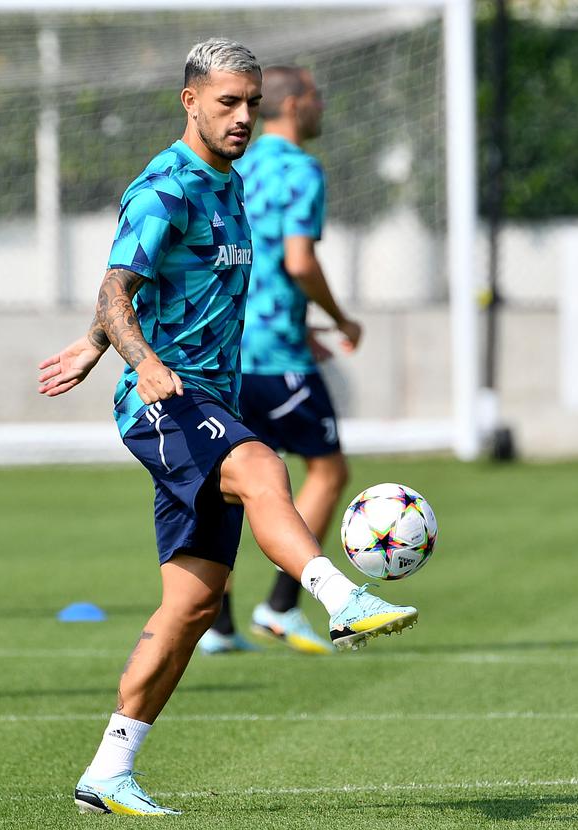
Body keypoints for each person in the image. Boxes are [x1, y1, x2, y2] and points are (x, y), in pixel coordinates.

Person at [38, 38, 418, 817]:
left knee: (192, 604)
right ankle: (338, 598)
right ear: (190, 101)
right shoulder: (167, 186)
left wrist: (94, 341)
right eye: (227, 103)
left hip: (212, 397)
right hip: (165, 401)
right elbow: (116, 286)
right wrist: (136, 357)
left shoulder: (231, 184)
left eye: (251, 102)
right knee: (263, 467)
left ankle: (107, 773)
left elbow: (146, 288)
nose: (244, 116)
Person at [199, 65, 361, 657]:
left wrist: (300, 323)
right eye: (316, 96)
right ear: (294, 105)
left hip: (226, 347)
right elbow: (297, 262)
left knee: (229, 482)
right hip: (276, 357)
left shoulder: (235, 164)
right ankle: (283, 604)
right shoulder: (300, 170)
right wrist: (341, 319)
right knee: (328, 471)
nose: (322, 105)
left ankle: (217, 624)